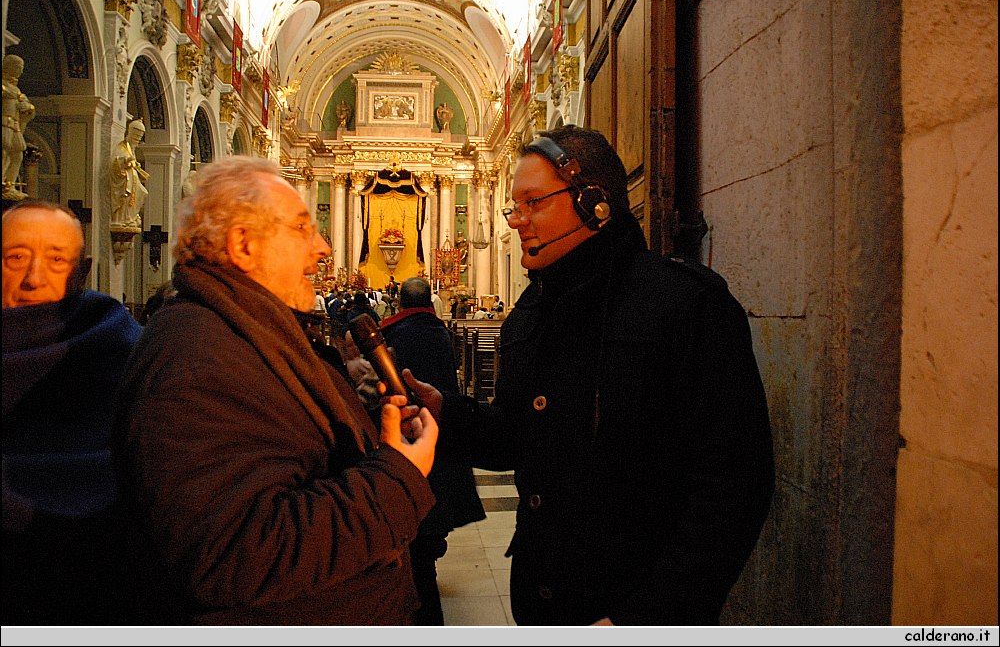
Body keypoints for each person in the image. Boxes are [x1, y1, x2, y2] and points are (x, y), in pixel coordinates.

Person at [404, 125, 775, 625]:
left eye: (533, 203)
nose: (517, 221)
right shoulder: (530, 313)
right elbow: (516, 436)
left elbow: (733, 486)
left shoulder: (684, 306)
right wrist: (443, 412)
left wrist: (644, 619)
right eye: (514, 206)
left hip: (633, 606)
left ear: (594, 204)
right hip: (542, 602)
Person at [113, 156, 438, 624]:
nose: (322, 247)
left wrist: (371, 425)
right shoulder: (198, 357)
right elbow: (234, 554)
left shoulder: (247, 331)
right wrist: (397, 475)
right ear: (244, 246)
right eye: (303, 228)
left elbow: (286, 447)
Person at [2, 201, 142, 624]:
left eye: (56, 260)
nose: (33, 278)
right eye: (16, 258)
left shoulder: (120, 348)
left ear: (82, 272)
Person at [381, 277, 485, 625]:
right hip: (441, 433)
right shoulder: (440, 332)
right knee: (433, 516)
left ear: (399, 303)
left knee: (418, 531)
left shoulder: (393, 335)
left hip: (408, 435)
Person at [2, 54, 35, 196]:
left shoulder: (16, 90)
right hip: (4, 124)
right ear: (8, 67)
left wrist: (28, 108)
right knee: (3, 153)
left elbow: (27, 107)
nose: (20, 71)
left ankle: (9, 184)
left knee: (17, 155)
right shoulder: (4, 87)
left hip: (14, 126)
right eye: (18, 67)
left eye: (21, 68)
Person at [110, 119, 150, 228]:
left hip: (132, 182)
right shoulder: (122, 147)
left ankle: (130, 217)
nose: (137, 140)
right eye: (136, 136)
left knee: (142, 193)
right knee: (127, 199)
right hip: (125, 182)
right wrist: (126, 161)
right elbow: (116, 163)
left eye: (139, 138)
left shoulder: (131, 149)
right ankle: (124, 219)